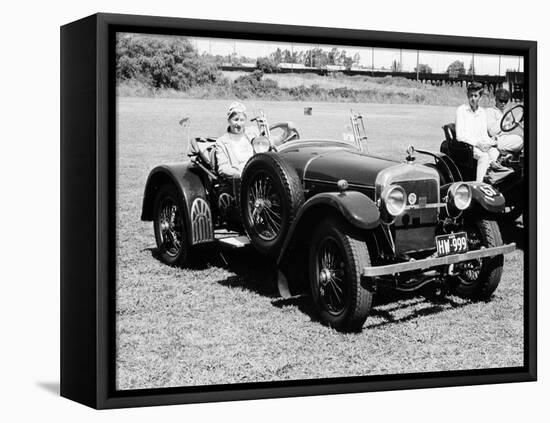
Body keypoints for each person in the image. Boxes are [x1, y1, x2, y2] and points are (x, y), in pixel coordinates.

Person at [455, 81, 500, 182]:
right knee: (484, 157)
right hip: (466, 146)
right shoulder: (461, 110)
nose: (473, 98)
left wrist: (491, 142)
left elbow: (483, 135)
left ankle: (490, 182)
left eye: (475, 96)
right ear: (467, 95)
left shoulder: (482, 113)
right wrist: (478, 144)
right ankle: (479, 186)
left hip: (480, 145)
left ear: (480, 97)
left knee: (495, 152)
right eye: (471, 95)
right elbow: (460, 135)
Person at [214, 102, 256, 178]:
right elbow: (223, 168)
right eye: (236, 120)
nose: (239, 124)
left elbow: (271, 143)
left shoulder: (253, 133)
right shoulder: (222, 142)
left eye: (242, 120)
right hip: (241, 179)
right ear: (229, 121)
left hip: (259, 172)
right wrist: (241, 174)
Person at [485, 88, 523, 154]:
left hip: (506, 139)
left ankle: (505, 152)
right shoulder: (490, 111)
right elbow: (492, 132)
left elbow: (510, 129)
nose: (503, 103)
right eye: (501, 101)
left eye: (505, 101)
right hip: (495, 139)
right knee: (519, 140)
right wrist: (504, 117)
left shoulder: (507, 112)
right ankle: (494, 146)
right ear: (496, 99)